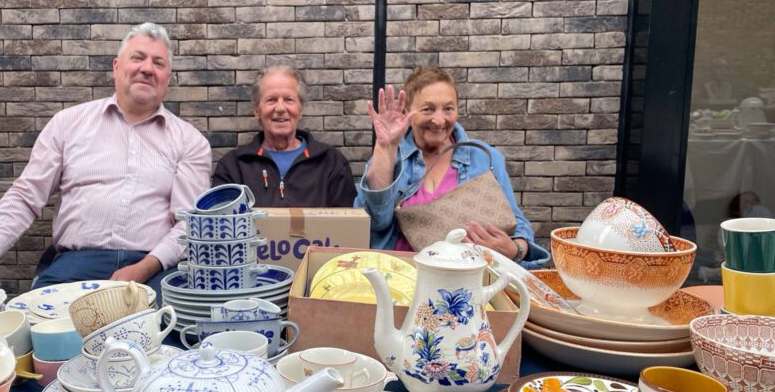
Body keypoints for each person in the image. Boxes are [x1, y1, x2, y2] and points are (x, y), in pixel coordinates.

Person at [0, 22, 212, 294]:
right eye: (137, 58)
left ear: (168, 78)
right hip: (75, 264)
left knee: (169, 319)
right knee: (38, 318)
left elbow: (190, 224)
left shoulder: (190, 142)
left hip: (154, 268)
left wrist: (146, 266)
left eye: (158, 63)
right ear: (116, 67)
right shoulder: (68, 124)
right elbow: (26, 196)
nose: (147, 68)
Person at [354, 65, 549, 268]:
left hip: (469, 278)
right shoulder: (389, 158)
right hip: (401, 275)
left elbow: (517, 223)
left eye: (448, 108)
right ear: (406, 112)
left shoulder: (485, 158)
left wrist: (516, 249)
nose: (439, 120)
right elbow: (375, 221)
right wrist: (385, 149)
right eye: (428, 109)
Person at [211, 65, 356, 206]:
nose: (280, 108)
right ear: (257, 111)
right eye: (271, 100)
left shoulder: (331, 163)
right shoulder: (233, 166)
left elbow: (348, 220)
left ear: (300, 109)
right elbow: (221, 218)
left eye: (289, 99)